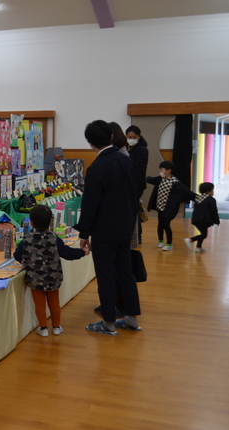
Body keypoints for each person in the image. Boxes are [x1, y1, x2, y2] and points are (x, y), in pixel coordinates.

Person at [74, 120, 141, 336]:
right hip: (126, 228)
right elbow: (134, 194)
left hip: (104, 231)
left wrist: (84, 233)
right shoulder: (126, 161)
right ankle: (131, 318)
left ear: (89, 142)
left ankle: (109, 323)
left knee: (106, 276)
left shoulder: (97, 167)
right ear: (111, 137)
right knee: (125, 274)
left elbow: (90, 205)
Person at [14, 205, 88, 337]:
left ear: (31, 223)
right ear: (50, 222)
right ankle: (56, 327)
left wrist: (28, 261)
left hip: (35, 279)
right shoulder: (54, 237)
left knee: (39, 305)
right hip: (54, 278)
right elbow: (67, 253)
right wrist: (82, 252)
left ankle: (43, 328)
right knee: (54, 303)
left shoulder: (27, 239)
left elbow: (17, 255)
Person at [146, 161, 197, 251]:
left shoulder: (175, 182)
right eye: (159, 169)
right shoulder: (160, 179)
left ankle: (169, 244)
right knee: (160, 225)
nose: (160, 170)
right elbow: (149, 179)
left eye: (161, 169)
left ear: (168, 170)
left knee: (166, 225)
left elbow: (188, 192)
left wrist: (200, 198)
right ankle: (161, 241)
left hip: (169, 209)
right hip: (160, 207)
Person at [126, 125, 149, 243]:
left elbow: (140, 171)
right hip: (130, 184)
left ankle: (137, 236)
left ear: (139, 137)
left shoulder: (141, 149)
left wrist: (135, 188)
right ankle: (135, 235)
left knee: (134, 211)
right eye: (129, 137)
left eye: (134, 137)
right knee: (133, 210)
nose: (131, 139)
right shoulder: (128, 148)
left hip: (136, 185)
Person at [184, 182, 220, 253]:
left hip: (196, 219)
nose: (213, 192)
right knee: (204, 235)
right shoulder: (211, 199)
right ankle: (190, 240)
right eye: (212, 190)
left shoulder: (198, 198)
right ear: (208, 192)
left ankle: (199, 247)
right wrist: (216, 221)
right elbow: (214, 211)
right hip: (204, 220)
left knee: (202, 233)